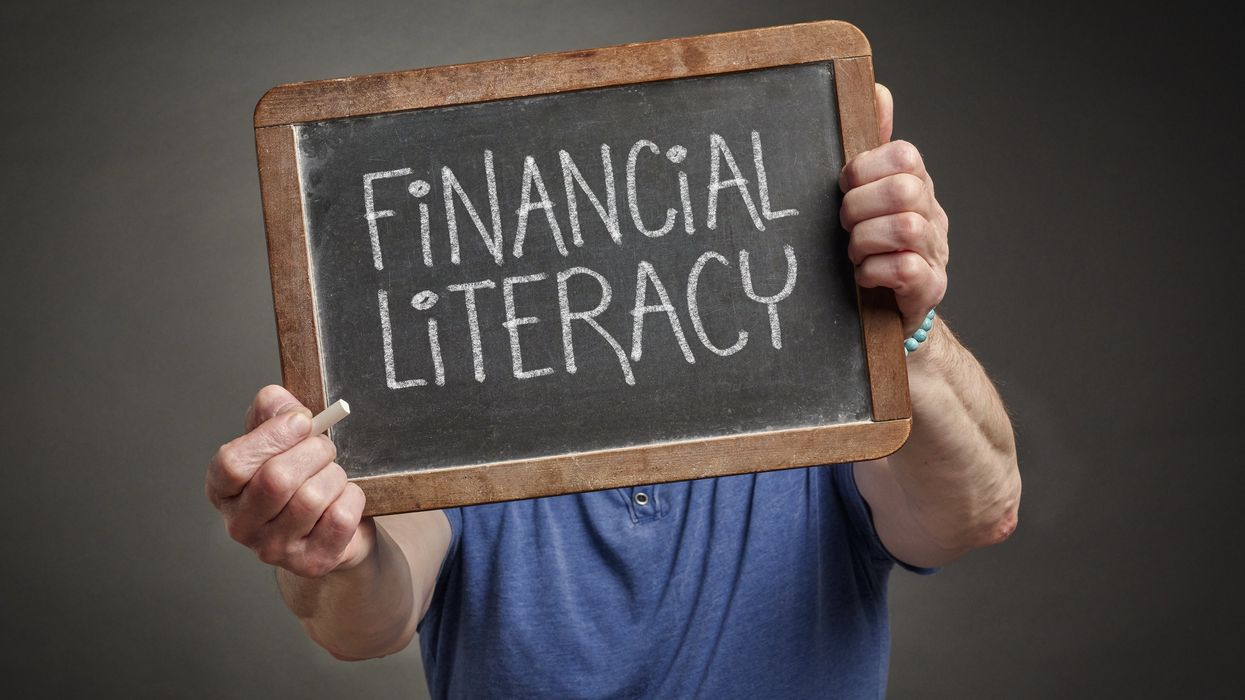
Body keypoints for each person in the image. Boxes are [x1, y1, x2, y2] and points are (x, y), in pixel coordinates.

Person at [206, 84, 1020, 698]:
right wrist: (334, 554)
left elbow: (978, 510)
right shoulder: (452, 402)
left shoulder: (817, 387)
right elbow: (369, 619)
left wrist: (901, 328)